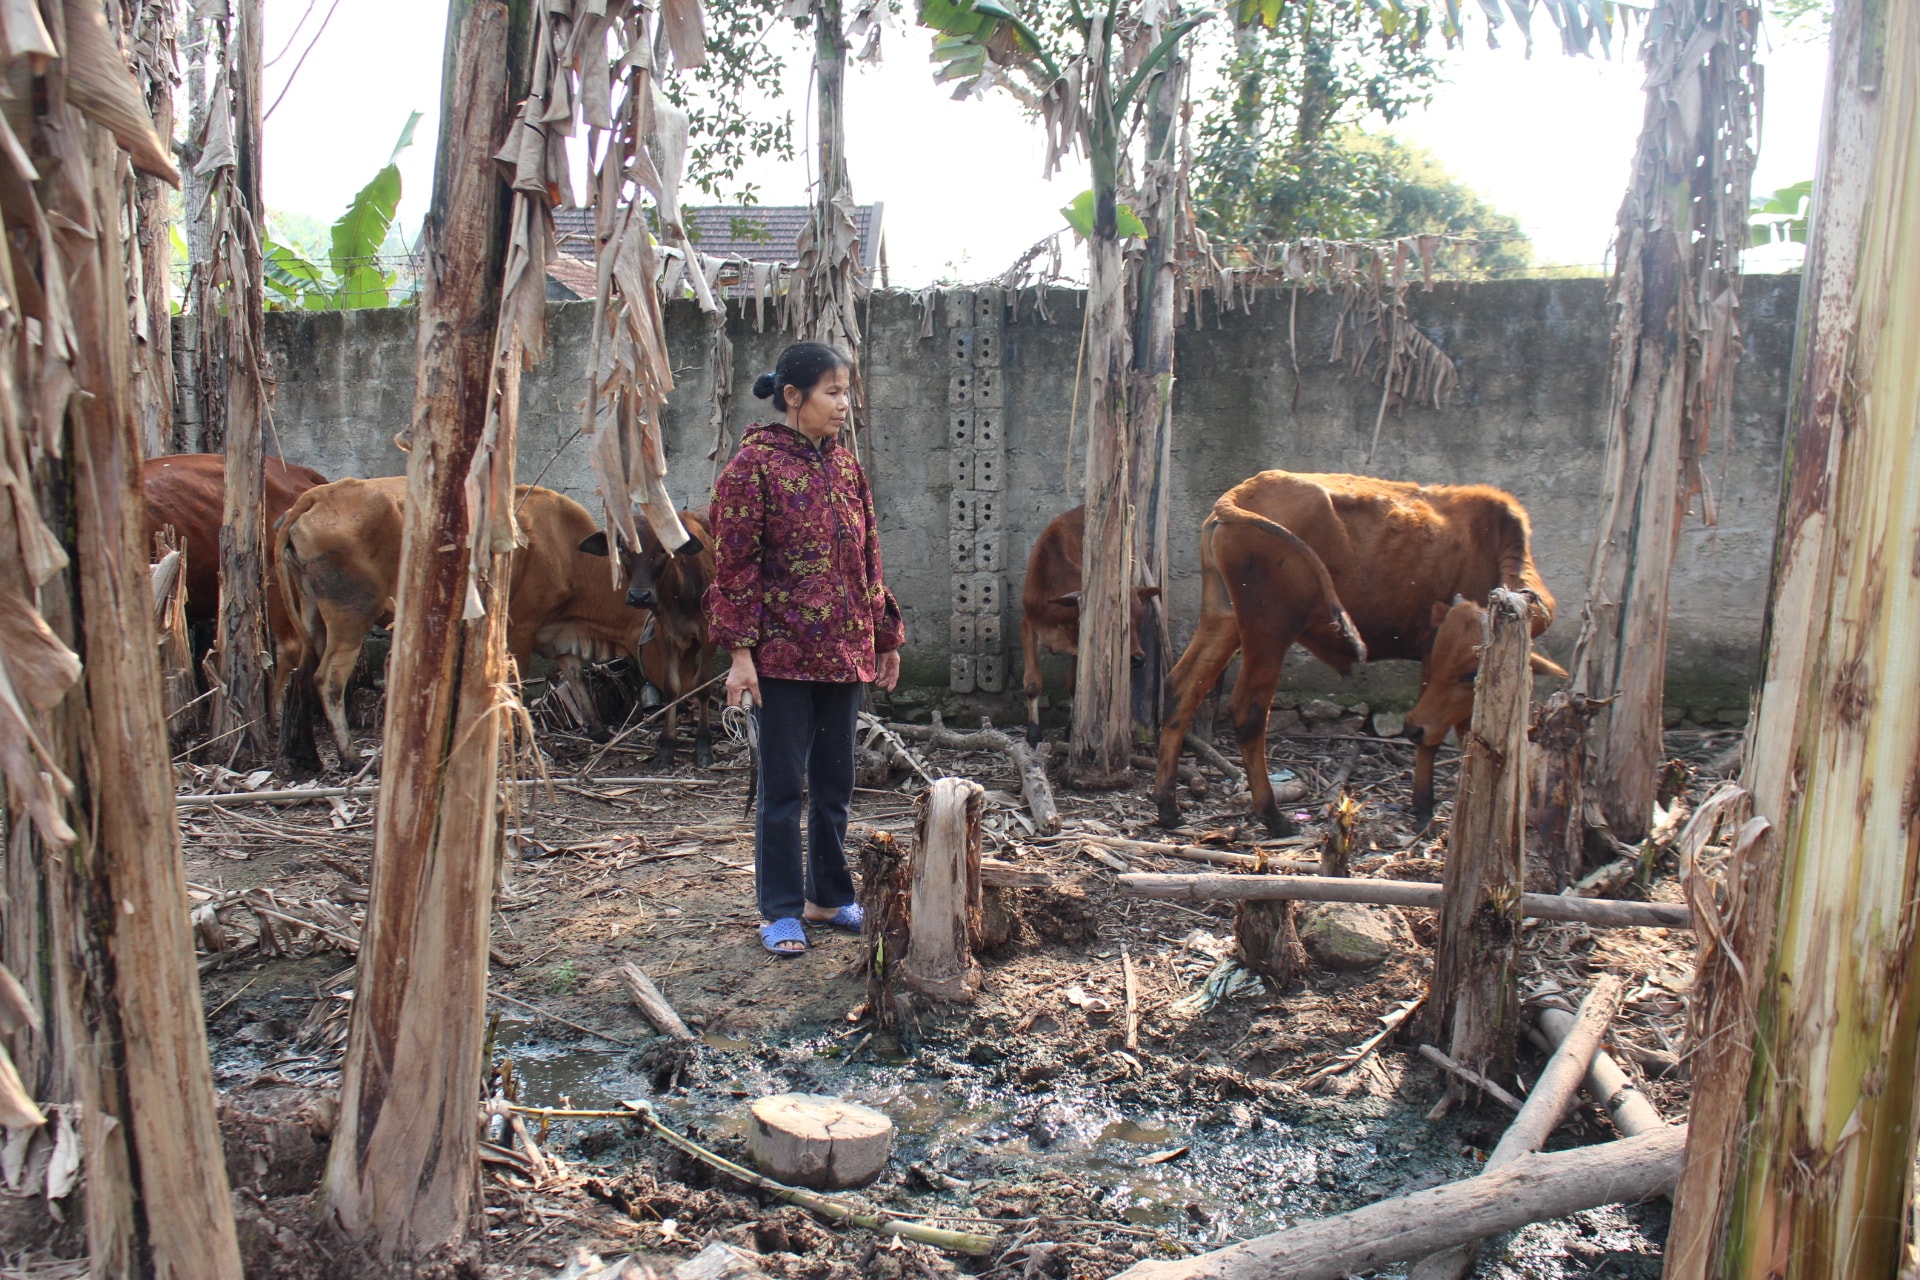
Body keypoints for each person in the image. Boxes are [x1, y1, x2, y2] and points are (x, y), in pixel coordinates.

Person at [705, 342, 905, 956]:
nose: (846, 405)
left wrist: (885, 636)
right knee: (783, 786)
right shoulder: (752, 468)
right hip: (781, 658)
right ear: (794, 398)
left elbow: (869, 558)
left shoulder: (846, 468)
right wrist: (740, 655)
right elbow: (732, 567)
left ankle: (828, 896)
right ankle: (781, 909)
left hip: (845, 654)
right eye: (833, 392)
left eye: (848, 391)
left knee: (836, 781)